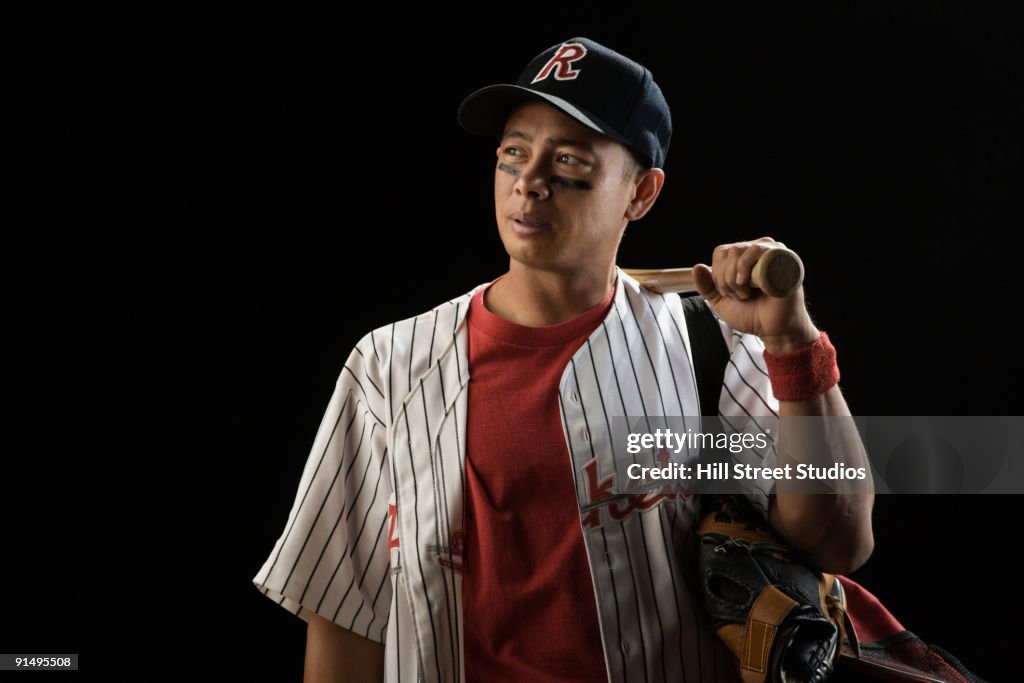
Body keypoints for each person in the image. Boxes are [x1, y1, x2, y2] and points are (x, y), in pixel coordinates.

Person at [253, 36, 874, 683]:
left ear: (641, 192)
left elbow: (840, 537)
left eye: (570, 161)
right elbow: (346, 621)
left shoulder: (705, 343)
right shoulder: (390, 365)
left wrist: (791, 340)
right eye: (514, 153)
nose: (530, 182)